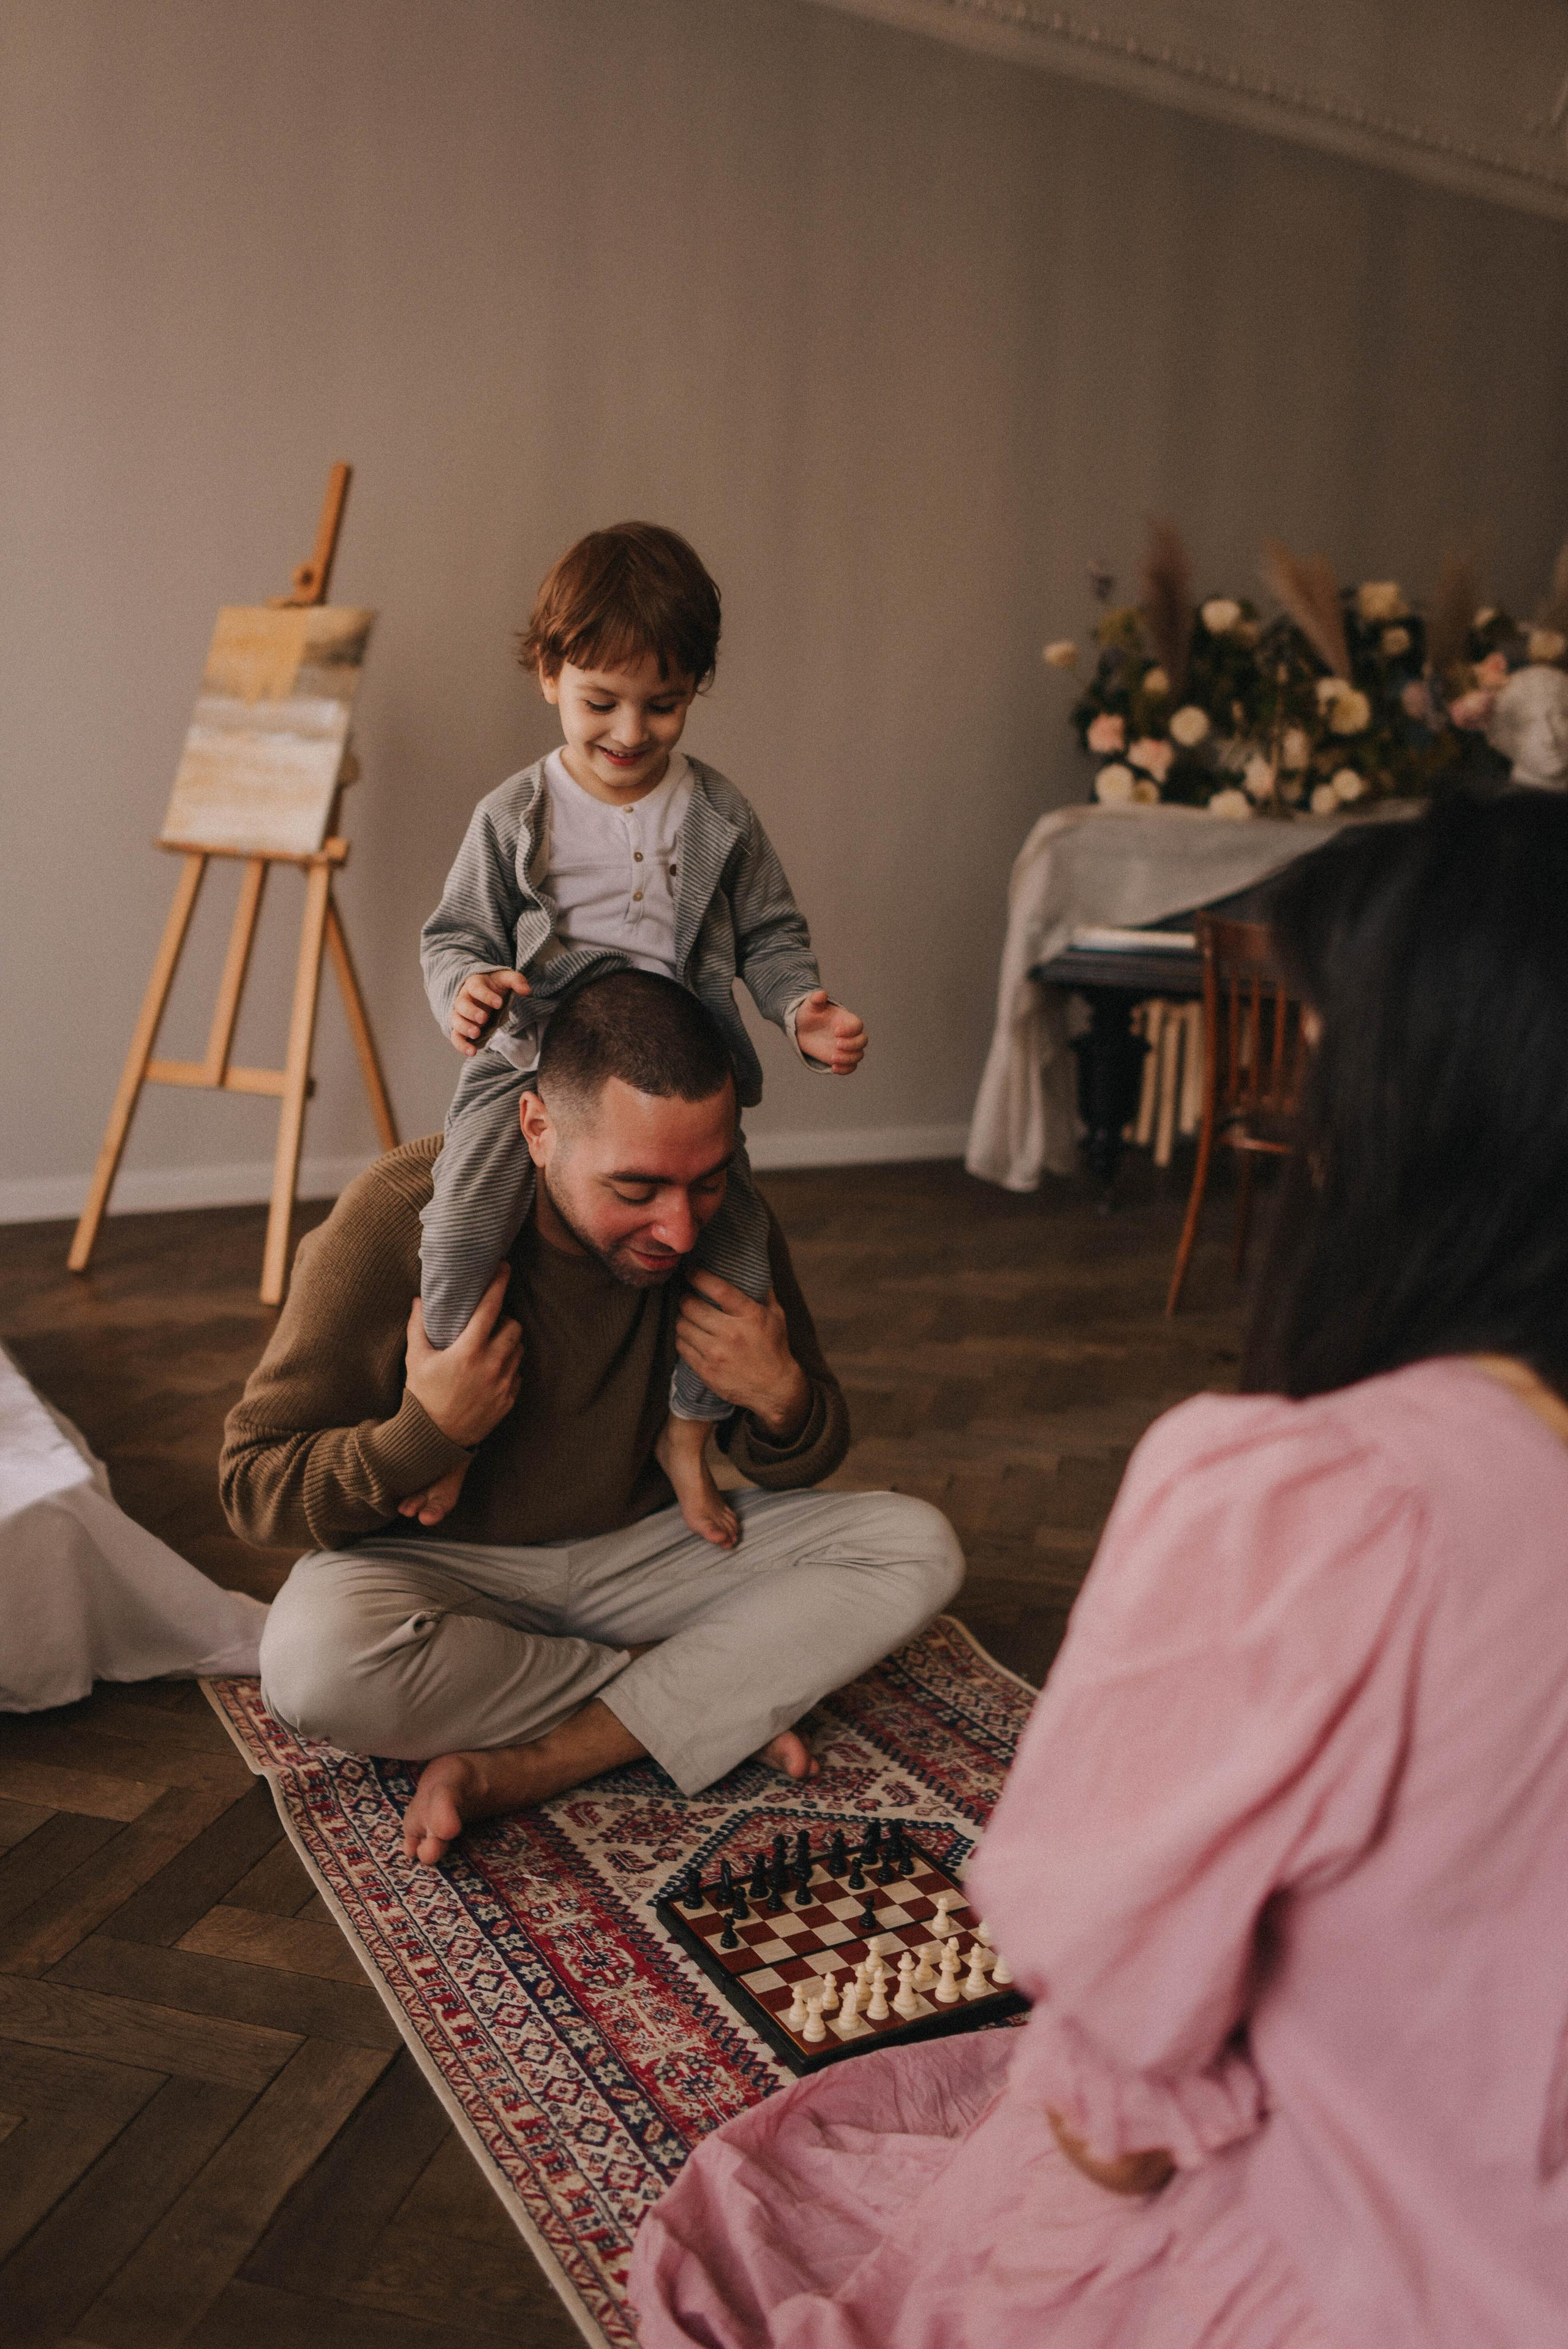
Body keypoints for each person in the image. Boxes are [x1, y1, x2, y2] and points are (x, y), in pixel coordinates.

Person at [629, 790, 1568, 2349]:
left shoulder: (1305, 1493)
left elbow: (1109, 2102)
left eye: (1327, 1044)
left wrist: (781, 1395)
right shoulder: (427, 1223)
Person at [221, 971, 962, 1869]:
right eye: (638, 1187)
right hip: (445, 1566)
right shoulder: (402, 1213)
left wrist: (782, 1396)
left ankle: (532, 1764)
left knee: (916, 1545)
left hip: (645, 1550)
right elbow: (253, 1487)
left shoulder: (727, 1227)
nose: (680, 1229)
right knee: (310, 1664)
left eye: (707, 1182)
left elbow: (804, 1451)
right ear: (538, 1128)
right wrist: (427, 1431)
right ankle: (697, 1693)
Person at [418, 521, 867, 1551]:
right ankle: (447, 1426)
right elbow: (455, 935)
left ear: (697, 688)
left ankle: (684, 1432)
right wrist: (470, 989)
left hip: (678, 1072)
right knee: (459, 1224)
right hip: (538, 1058)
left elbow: (771, 933)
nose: (630, 731)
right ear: (548, 675)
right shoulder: (513, 814)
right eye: (600, 703)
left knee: (742, 1249)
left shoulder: (716, 811)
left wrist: (802, 1009)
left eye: (662, 704)